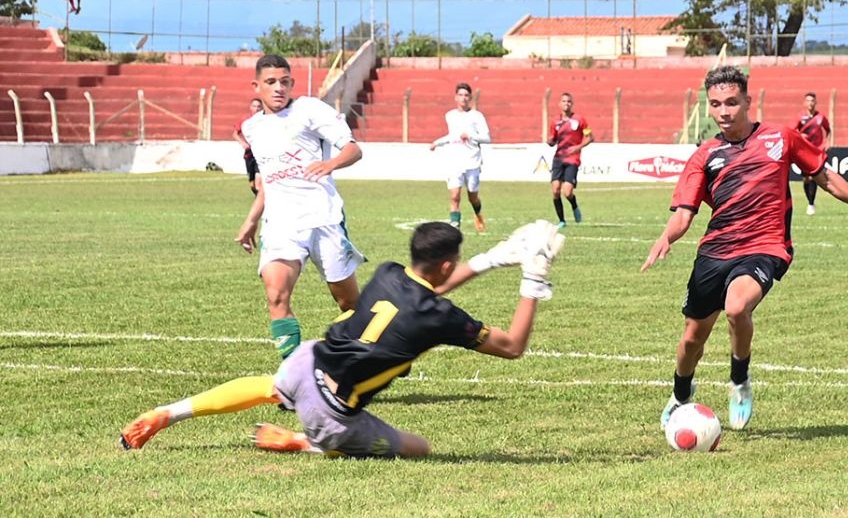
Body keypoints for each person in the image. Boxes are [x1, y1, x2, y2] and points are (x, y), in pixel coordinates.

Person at [120, 220, 565, 459]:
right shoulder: (440, 318)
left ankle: (170, 412)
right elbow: (513, 347)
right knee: (417, 447)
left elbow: (434, 287)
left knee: (269, 386)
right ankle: (309, 442)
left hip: (306, 362)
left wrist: (492, 259)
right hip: (330, 413)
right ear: (448, 265)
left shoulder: (391, 272)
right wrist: (532, 278)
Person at [641, 66, 848, 432]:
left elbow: (824, 177)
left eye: (732, 102)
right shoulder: (704, 155)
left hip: (766, 246)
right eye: (716, 104)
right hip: (715, 252)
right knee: (692, 339)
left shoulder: (781, 139)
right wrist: (666, 237)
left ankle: (739, 380)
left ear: (748, 101)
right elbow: (684, 214)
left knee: (737, 307)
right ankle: (680, 396)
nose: (724, 111)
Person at [235, 54, 364, 360]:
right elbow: (268, 181)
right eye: (271, 82)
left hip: (323, 218)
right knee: (276, 294)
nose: (279, 88)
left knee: (348, 304)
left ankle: (381, 348)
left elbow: (354, 149)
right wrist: (251, 220)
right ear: (256, 86)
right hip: (281, 224)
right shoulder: (252, 128)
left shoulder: (308, 110)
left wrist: (330, 163)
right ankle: (291, 380)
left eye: (285, 82)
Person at [429, 82, 491, 232]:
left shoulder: (477, 116)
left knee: (472, 197)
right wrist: (437, 142)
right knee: (455, 196)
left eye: (466, 95)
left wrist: (470, 135)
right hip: (454, 162)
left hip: (472, 162)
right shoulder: (450, 116)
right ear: (455, 97)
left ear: (470, 98)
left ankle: (477, 213)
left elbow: (487, 138)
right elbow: (452, 136)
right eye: (460, 95)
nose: (463, 98)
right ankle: (455, 227)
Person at [547, 92, 594, 228]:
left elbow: (590, 137)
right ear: (559, 104)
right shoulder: (555, 122)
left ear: (571, 104)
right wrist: (550, 141)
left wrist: (578, 147)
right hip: (558, 158)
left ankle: (574, 205)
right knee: (555, 190)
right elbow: (553, 140)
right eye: (563, 101)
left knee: (567, 192)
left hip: (572, 159)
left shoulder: (579, 120)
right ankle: (562, 221)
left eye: (568, 101)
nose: (566, 104)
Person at [790, 92, 832, 215]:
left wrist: (827, 142)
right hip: (804, 151)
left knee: (814, 176)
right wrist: (799, 135)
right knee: (806, 178)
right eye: (808, 101)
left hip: (817, 151)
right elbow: (792, 131)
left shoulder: (821, 117)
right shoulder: (800, 117)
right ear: (804, 103)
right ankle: (810, 201)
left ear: (816, 103)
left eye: (812, 101)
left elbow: (828, 129)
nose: (810, 103)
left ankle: (811, 203)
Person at [234, 98, 264, 196]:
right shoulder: (245, 120)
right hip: (249, 155)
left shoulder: (265, 119)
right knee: (252, 184)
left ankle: (262, 204)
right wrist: (243, 143)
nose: (256, 109)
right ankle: (258, 198)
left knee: (259, 181)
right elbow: (235, 134)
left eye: (259, 106)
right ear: (250, 107)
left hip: (261, 155)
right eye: (254, 106)